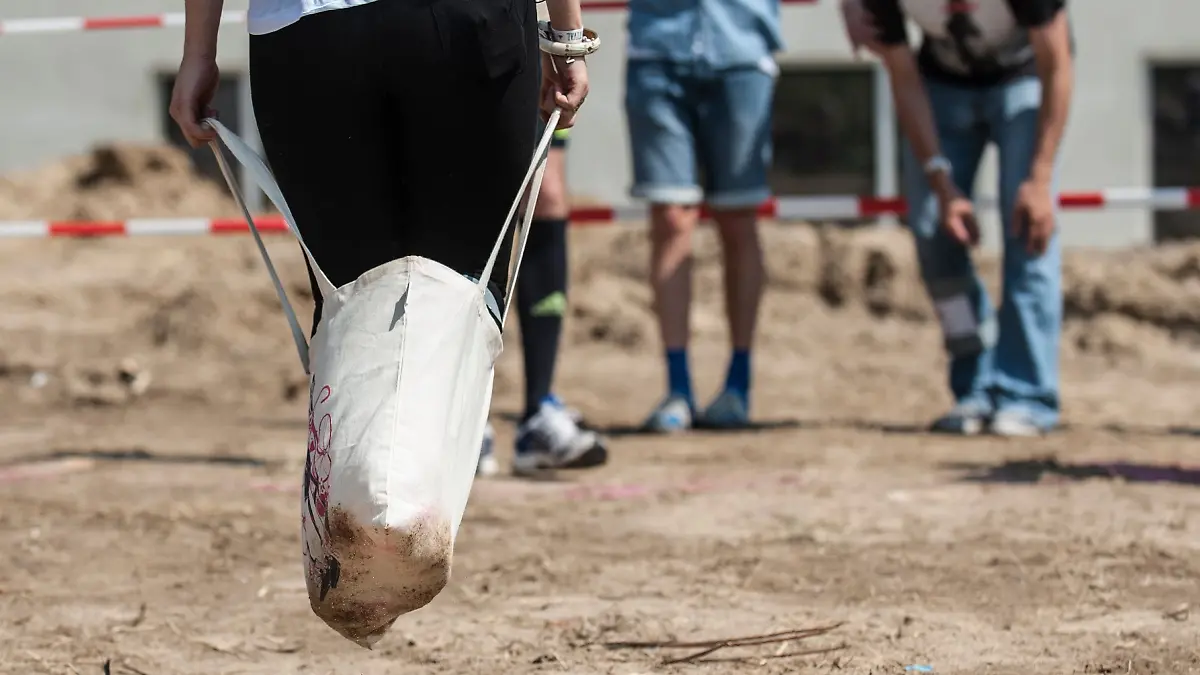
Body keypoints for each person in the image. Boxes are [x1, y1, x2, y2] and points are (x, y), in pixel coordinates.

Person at [169, 0, 590, 348]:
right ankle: (450, 439)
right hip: (466, 22)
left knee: (350, 306)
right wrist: (566, 38)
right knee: (464, 296)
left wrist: (199, 51)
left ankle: (376, 444)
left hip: (307, 28)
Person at [842, 0, 1074, 436]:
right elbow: (903, 76)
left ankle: (1027, 395)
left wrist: (1039, 179)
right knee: (932, 230)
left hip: (1027, 77)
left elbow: (1058, 64)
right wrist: (941, 183)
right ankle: (974, 384)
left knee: (1029, 228)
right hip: (940, 85)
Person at [624, 0, 783, 433]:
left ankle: (738, 383)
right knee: (671, 219)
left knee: (738, 221)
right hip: (657, 47)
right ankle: (678, 388)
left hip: (742, 49)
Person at [477, 120, 609, 477]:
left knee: (547, 194)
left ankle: (538, 415)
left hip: (532, 68)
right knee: (475, 192)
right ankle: (467, 418)